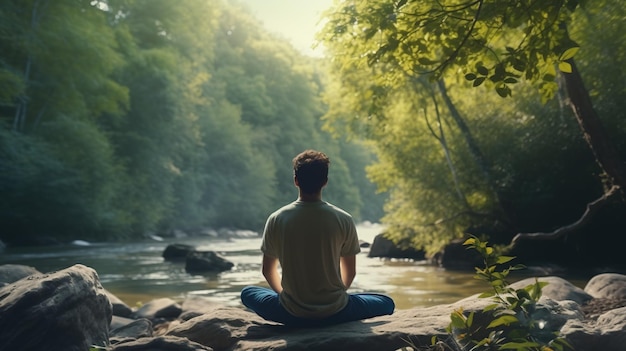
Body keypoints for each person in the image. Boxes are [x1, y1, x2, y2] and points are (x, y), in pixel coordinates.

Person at [240, 149, 395, 327]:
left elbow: (268, 270)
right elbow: (350, 272)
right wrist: (332, 301)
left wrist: (285, 297)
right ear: (325, 182)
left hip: (291, 313)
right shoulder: (343, 218)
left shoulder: (277, 219)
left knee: (247, 292)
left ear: (296, 180)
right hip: (336, 311)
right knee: (386, 302)